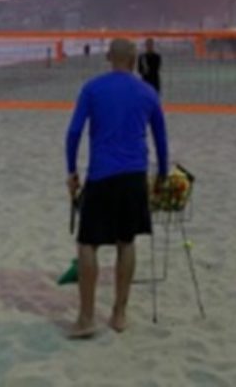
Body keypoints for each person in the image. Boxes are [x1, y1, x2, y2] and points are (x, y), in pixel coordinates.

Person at [64, 38, 169, 338]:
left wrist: (71, 171)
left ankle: (86, 318)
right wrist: (161, 175)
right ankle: (119, 314)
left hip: (102, 175)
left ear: (109, 57)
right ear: (135, 60)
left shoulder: (93, 88)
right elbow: (161, 139)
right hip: (135, 175)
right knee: (127, 242)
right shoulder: (147, 92)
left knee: (88, 244)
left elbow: (73, 133)